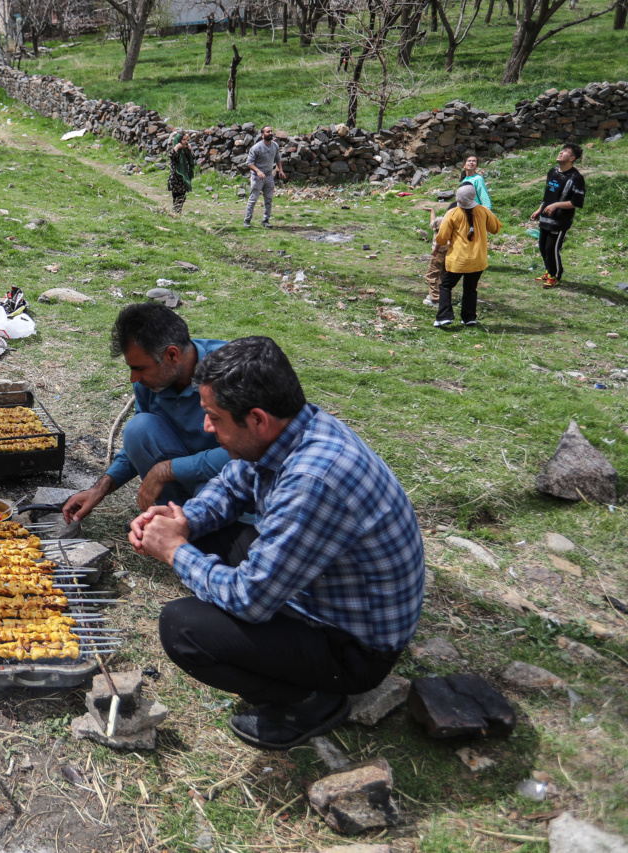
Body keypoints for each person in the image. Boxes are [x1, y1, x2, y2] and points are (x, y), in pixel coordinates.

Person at [131, 336, 424, 750]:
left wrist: (174, 550)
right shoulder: (293, 429)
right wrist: (184, 521)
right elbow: (233, 486)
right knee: (207, 533)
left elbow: (249, 599)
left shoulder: (313, 479)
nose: (206, 428)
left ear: (257, 419)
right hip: (327, 591)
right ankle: (294, 671)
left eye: (214, 417)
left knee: (183, 629)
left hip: (355, 646)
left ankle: (310, 699)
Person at [62, 303, 232, 523]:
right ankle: (179, 520)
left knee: (208, 488)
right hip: (189, 481)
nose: (134, 378)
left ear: (172, 355)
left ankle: (211, 536)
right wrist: (100, 488)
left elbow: (250, 456)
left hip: (230, 483)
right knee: (138, 428)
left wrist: (168, 469)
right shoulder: (150, 384)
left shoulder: (231, 371)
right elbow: (138, 443)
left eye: (140, 368)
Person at [434, 184, 501, 328]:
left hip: (458, 259)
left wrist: (438, 245)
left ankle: (444, 316)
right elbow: (495, 228)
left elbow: (442, 237)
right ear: (473, 196)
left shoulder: (452, 213)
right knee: (470, 288)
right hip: (478, 259)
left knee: (446, 286)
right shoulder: (483, 211)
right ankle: (469, 317)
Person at [530, 143, 586, 288]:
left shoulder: (576, 178)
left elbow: (576, 202)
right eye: (561, 150)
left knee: (552, 248)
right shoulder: (552, 172)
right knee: (542, 246)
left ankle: (555, 275)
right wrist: (539, 210)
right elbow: (548, 195)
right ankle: (549, 272)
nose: (561, 153)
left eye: (565, 152)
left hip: (561, 220)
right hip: (545, 217)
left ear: (572, 158)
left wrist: (556, 205)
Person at [244, 126, 286, 228]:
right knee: (253, 199)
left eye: (271, 131)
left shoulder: (275, 145)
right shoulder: (256, 148)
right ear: (262, 135)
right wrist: (258, 172)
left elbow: (278, 159)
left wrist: (280, 170)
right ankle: (247, 221)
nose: (271, 133)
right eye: (268, 132)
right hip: (257, 177)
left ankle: (265, 220)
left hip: (269, 176)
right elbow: (249, 163)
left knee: (268, 199)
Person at [422, 209, 447, 308]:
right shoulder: (460, 222)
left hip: (439, 251)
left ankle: (435, 299)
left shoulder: (442, 220)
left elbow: (432, 224)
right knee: (443, 275)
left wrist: (432, 212)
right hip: (452, 252)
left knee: (432, 274)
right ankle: (442, 296)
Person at [166, 131, 195, 216]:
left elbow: (192, 160)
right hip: (176, 178)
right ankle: (175, 213)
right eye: (183, 140)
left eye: (186, 140)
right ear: (179, 141)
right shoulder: (176, 151)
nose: (186, 141)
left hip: (183, 179)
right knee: (176, 197)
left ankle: (177, 213)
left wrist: (190, 151)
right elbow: (171, 156)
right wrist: (176, 148)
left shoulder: (185, 151)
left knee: (182, 197)